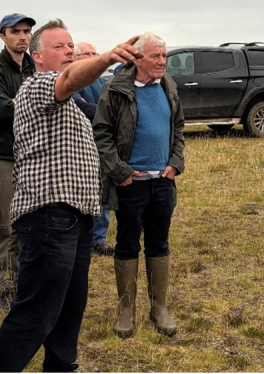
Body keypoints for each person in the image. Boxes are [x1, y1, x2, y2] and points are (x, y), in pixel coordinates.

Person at [0, 20, 142, 372]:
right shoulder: (35, 87)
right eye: (60, 47)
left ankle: (61, 366)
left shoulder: (72, 103)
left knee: (70, 308)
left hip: (77, 218)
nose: (69, 51)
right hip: (48, 217)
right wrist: (104, 59)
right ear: (37, 56)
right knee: (36, 311)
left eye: (71, 46)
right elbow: (69, 79)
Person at [93, 32, 186, 338]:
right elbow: (102, 133)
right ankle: (125, 310)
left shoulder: (169, 85)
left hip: (162, 182)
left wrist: (175, 162)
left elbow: (178, 127)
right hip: (130, 183)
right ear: (138, 59)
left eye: (164, 56)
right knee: (128, 242)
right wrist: (120, 172)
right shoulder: (116, 88)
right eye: (155, 56)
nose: (162, 62)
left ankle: (159, 308)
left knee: (159, 243)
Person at [0, 12, 36, 308]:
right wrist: (29, 104)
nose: (22, 36)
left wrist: (20, 103)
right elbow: (0, 109)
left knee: (22, 226)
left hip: (29, 157)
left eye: (26, 31)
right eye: (15, 31)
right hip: (1, 157)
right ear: (3, 36)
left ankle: (15, 283)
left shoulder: (32, 67)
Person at [73, 41, 116, 256]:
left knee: (102, 188)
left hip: (101, 142)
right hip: (79, 145)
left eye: (93, 53)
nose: (90, 57)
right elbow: (81, 107)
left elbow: (102, 107)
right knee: (83, 191)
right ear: (76, 57)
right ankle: (85, 237)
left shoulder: (99, 81)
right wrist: (107, 113)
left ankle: (99, 239)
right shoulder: (72, 79)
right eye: (85, 54)